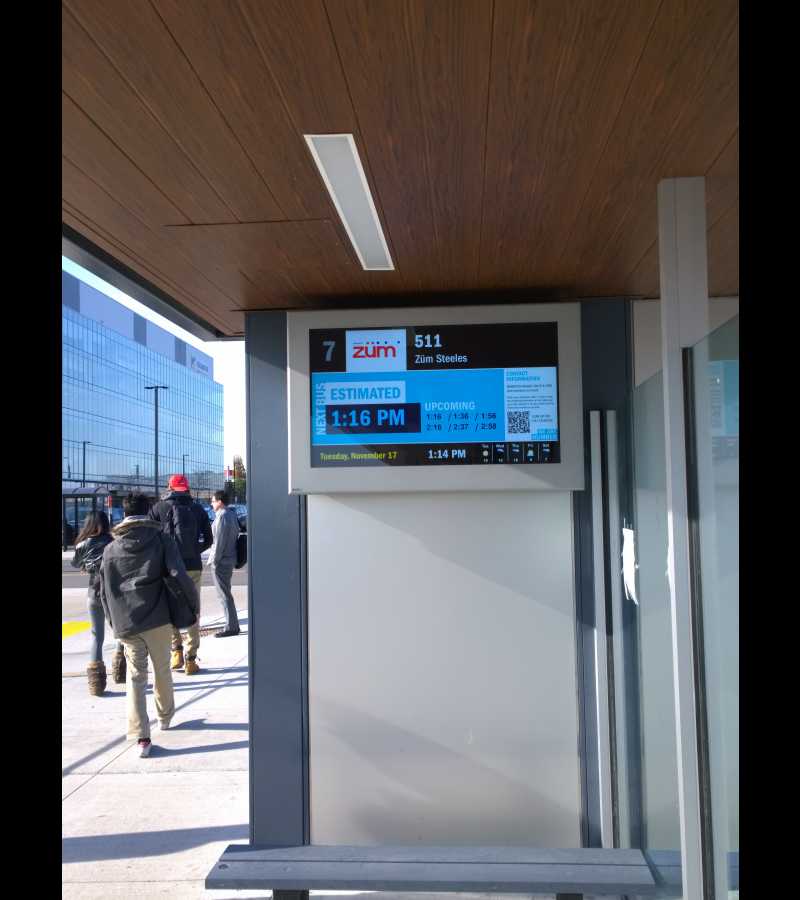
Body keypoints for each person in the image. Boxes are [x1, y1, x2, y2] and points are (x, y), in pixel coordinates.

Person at [98, 492, 195, 757]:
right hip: (158, 617)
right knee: (162, 670)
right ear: (147, 511)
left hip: (127, 622)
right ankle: (164, 717)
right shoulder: (161, 540)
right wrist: (191, 606)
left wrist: (113, 621)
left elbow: (104, 591)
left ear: (124, 514)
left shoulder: (111, 549)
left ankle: (141, 736)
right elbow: (177, 574)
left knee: (135, 677)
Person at [148, 474, 213, 674]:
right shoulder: (198, 508)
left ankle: (176, 651)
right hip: (193, 566)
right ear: (186, 488)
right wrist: (194, 550)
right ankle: (191, 659)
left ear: (170, 487)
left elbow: (150, 538)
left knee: (169, 609)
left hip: (168, 567)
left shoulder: (158, 508)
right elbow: (209, 539)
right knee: (194, 609)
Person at [71, 510, 126, 694]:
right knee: (120, 632)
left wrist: (87, 566)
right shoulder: (114, 542)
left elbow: (76, 564)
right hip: (114, 593)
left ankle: (96, 683)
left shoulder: (83, 544)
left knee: (97, 636)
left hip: (93, 592)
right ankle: (120, 669)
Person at [209, 490, 241, 637]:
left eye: (213, 501)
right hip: (229, 558)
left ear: (220, 501)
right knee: (225, 593)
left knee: (223, 595)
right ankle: (232, 624)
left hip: (221, 561)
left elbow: (219, 542)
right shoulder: (232, 514)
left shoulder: (222, 516)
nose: (211, 503)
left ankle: (231, 626)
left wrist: (214, 561)